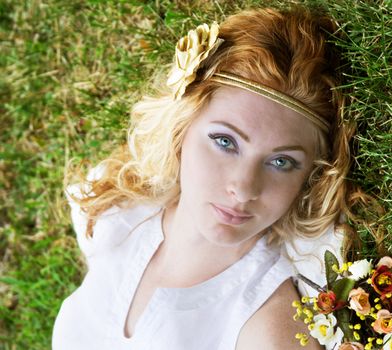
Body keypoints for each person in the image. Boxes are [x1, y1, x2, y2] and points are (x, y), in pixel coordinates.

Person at [53, 6, 363, 349]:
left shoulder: (267, 330)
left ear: (309, 177)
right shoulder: (117, 213)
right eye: (225, 142)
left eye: (281, 162)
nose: (243, 188)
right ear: (182, 128)